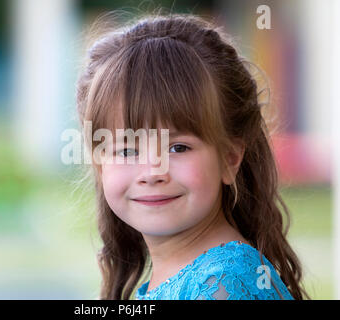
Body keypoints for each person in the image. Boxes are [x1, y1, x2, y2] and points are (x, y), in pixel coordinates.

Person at [75, 12, 308, 300]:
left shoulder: (223, 287)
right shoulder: (192, 277)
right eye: (127, 149)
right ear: (100, 165)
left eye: (178, 148)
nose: (152, 172)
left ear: (230, 158)